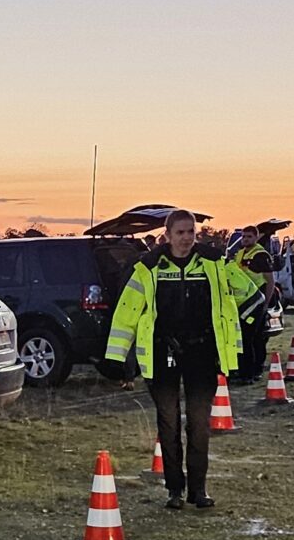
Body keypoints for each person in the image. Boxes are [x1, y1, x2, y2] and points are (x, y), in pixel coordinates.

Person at [99, 209, 239, 509]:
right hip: (163, 354)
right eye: (180, 232)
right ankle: (175, 491)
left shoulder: (215, 265)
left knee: (200, 425)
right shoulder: (148, 269)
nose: (187, 238)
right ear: (168, 236)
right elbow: (127, 315)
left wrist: (250, 329)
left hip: (202, 353)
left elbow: (245, 292)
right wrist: (115, 357)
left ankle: (198, 490)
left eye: (191, 232)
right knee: (169, 424)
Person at [226, 224, 276, 384]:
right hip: (244, 301)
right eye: (244, 236)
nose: (246, 239)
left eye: (249, 236)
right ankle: (245, 369)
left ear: (256, 237)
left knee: (255, 338)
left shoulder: (260, 254)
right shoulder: (240, 253)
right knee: (246, 338)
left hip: (257, 300)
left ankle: (256, 369)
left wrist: (267, 302)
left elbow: (270, 281)